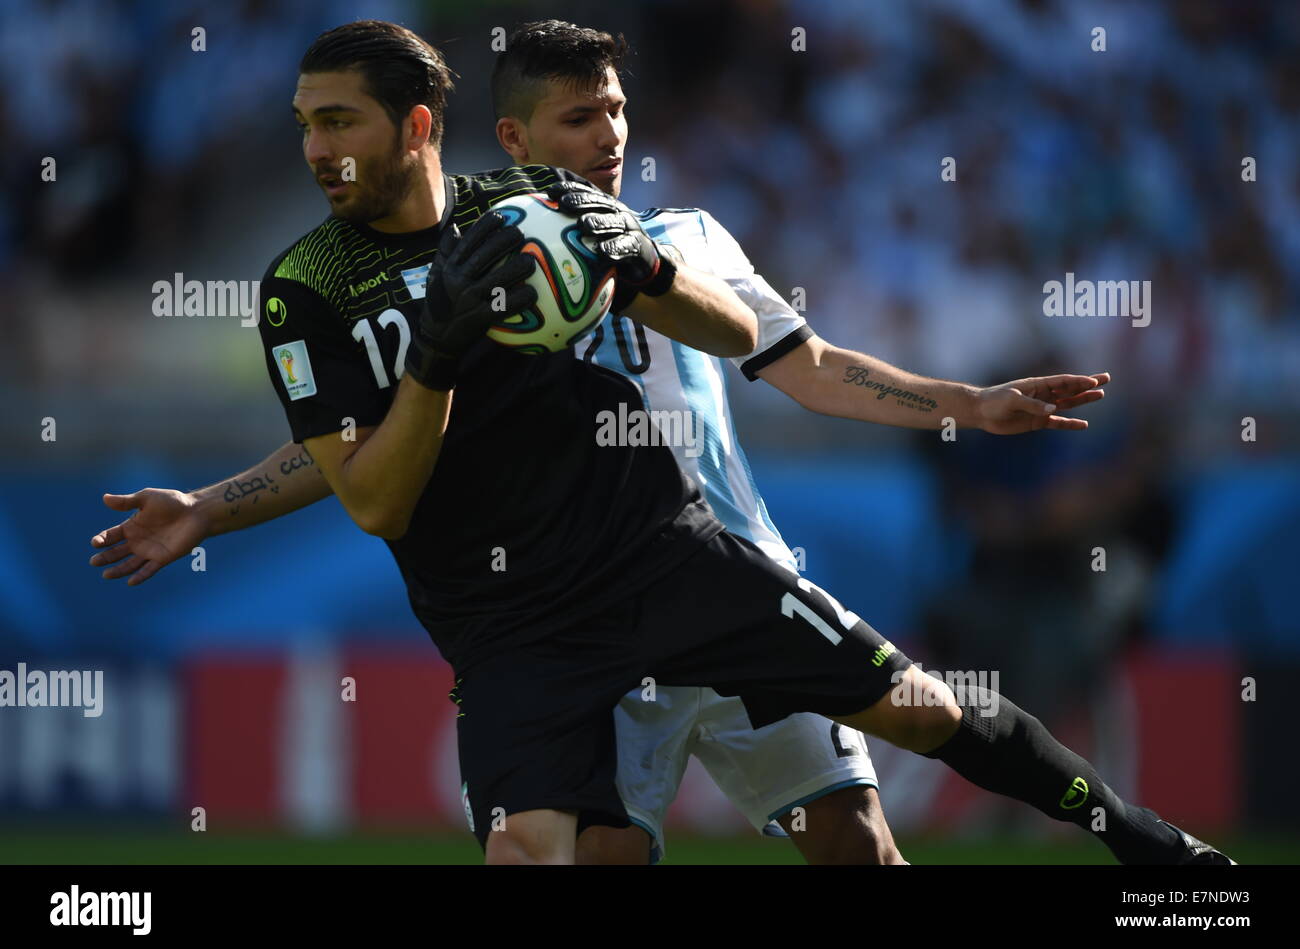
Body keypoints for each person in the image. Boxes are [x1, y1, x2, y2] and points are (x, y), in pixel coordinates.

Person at [92, 18, 1231, 867]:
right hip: (539, 622)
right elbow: (367, 465)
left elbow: (793, 356)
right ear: (515, 134)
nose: (610, 137)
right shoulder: (355, 277)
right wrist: (216, 502)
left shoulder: (630, 230)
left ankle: (1154, 852)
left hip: (699, 566)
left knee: (874, 804)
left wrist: (959, 402)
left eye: (619, 114)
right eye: (580, 118)